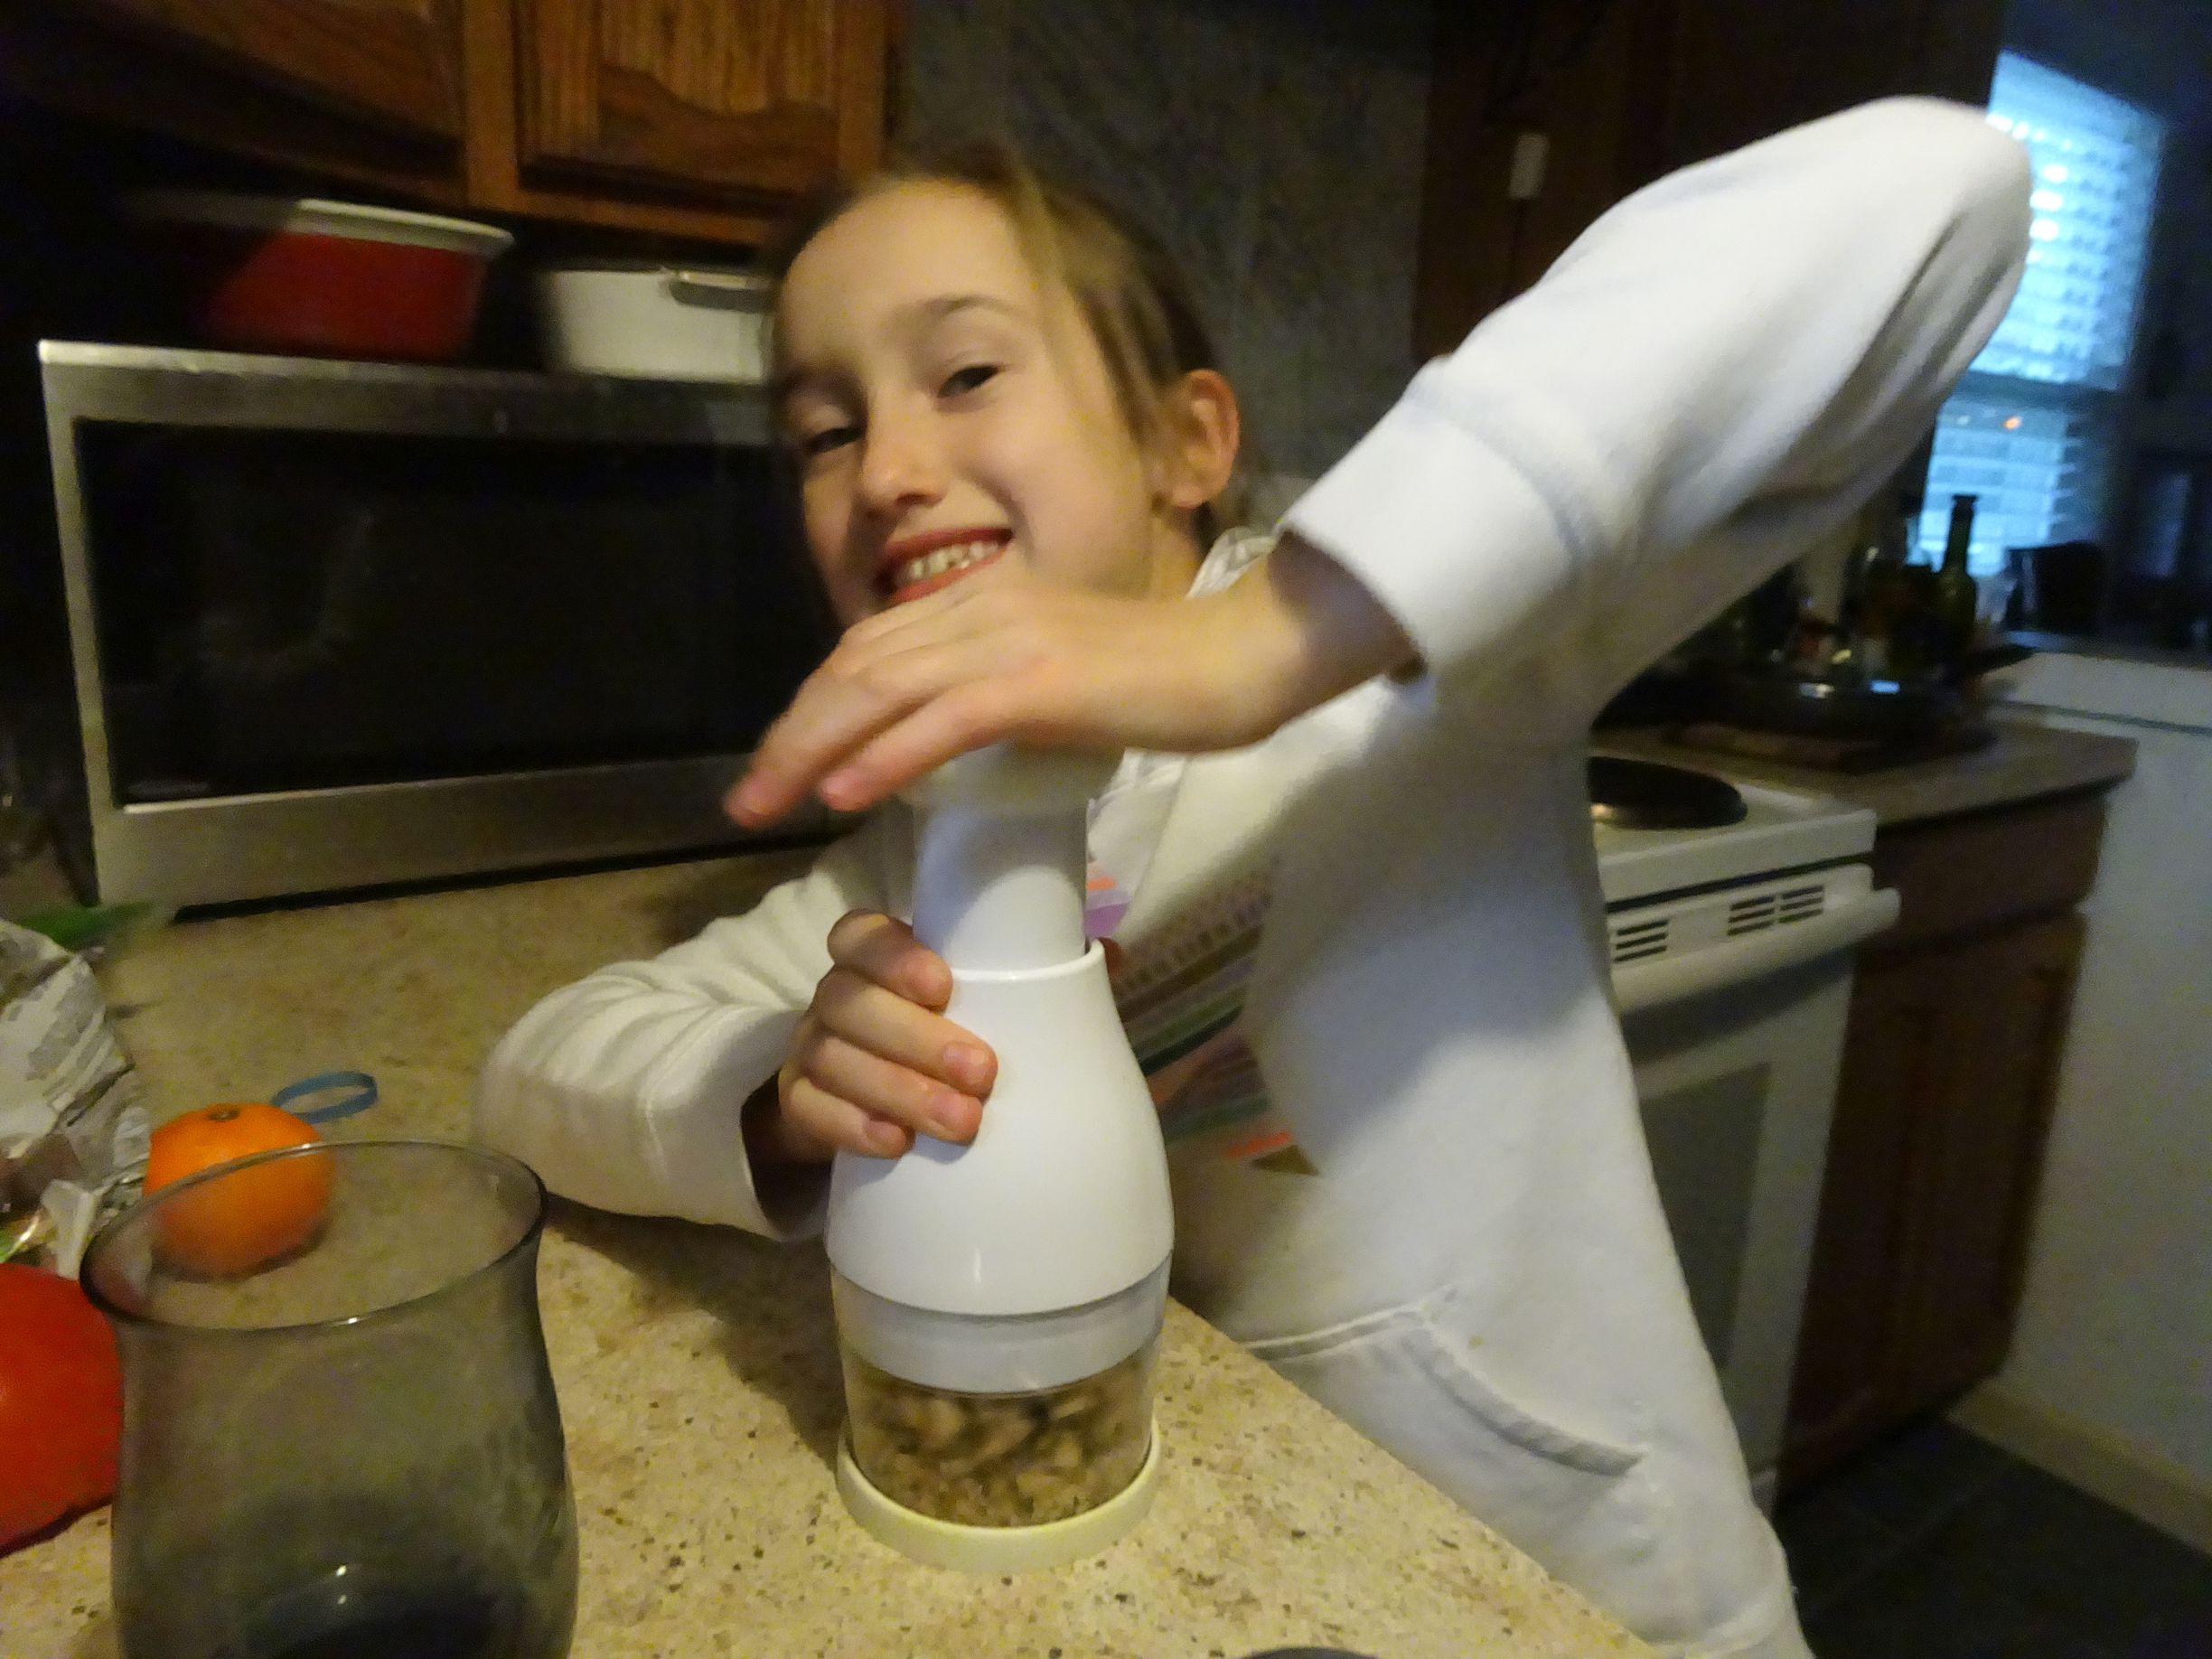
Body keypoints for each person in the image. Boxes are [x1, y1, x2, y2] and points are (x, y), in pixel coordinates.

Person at [476, 97, 2030, 1657]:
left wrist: (1261, 644)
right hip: (1240, 1571)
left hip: (1589, 1592)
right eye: (824, 432)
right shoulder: (909, 864)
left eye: (965, 375)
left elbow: (1940, 189)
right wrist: (776, 1093)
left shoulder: (1419, 677)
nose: (886, 468)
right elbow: (535, 1075)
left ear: (1187, 445)